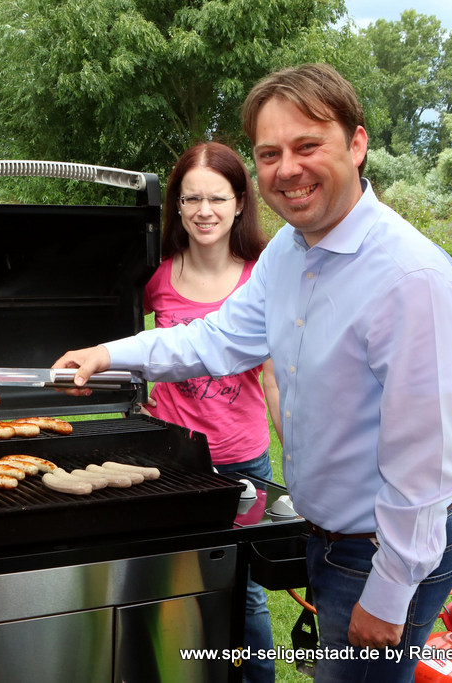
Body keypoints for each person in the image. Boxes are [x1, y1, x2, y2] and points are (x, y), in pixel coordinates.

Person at [55, 63, 452, 682]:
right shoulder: (288, 251)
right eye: (269, 153)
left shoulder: (412, 278)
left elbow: (425, 462)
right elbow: (217, 337)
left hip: (381, 552)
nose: (286, 170)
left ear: (356, 144)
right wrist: (109, 355)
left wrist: (388, 592)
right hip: (328, 538)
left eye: (308, 145)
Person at [140, 140, 281, 683]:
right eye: (192, 199)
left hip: (242, 461)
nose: (205, 211)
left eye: (217, 199)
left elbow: (272, 373)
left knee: (244, 592)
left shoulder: (260, 277)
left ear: (240, 203)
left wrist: (293, 440)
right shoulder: (156, 278)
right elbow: (138, 352)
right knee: (173, 583)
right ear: (176, 205)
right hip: (174, 464)